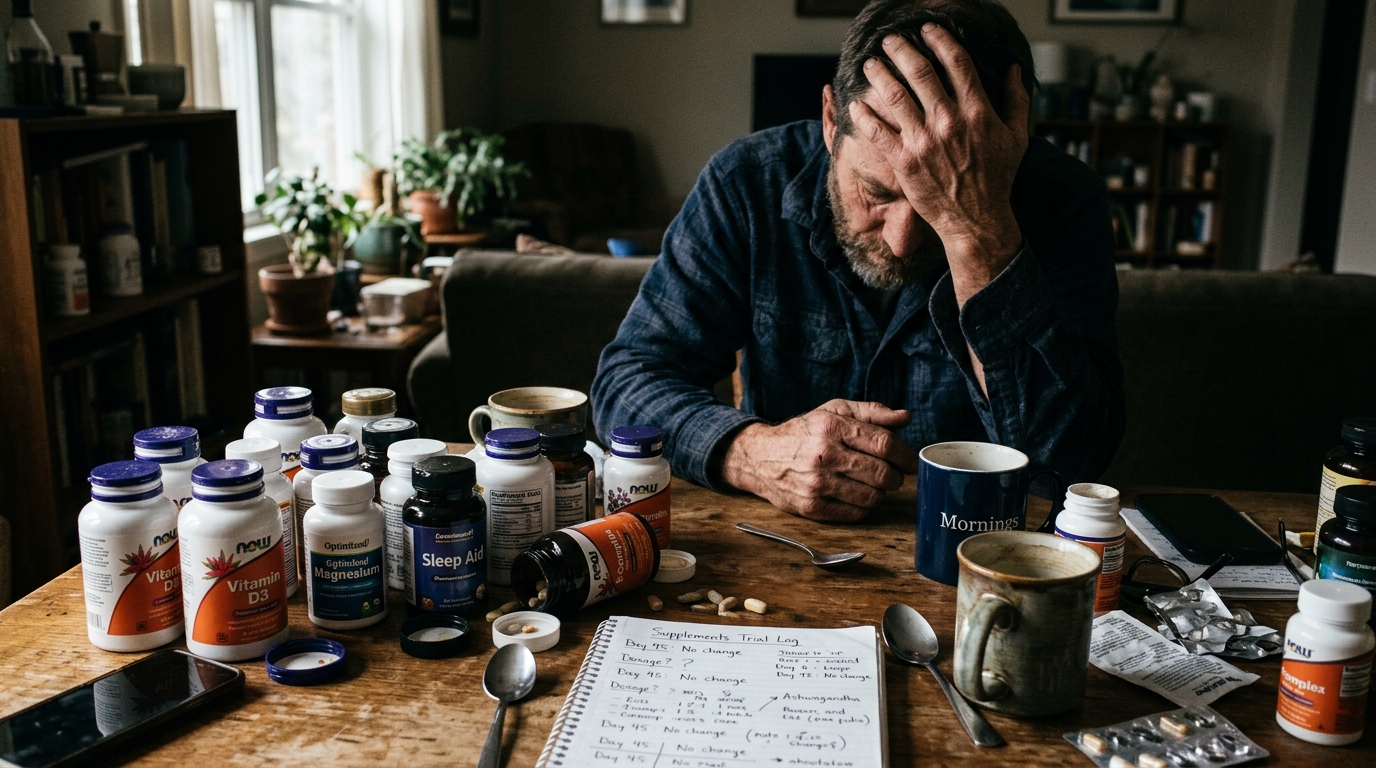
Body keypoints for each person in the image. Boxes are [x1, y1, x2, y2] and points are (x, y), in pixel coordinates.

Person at [591, 0, 1125, 522]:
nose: (901, 242)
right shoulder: (747, 183)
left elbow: (1066, 464)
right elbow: (627, 383)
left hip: (979, 559)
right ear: (830, 120)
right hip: (779, 551)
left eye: (935, 204)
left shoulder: (1063, 203)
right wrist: (754, 453)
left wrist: (977, 229)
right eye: (875, 192)